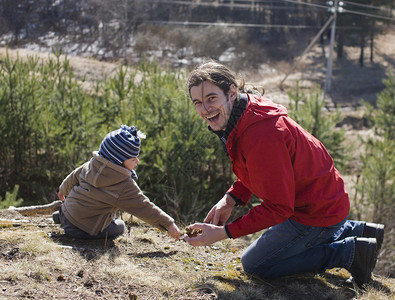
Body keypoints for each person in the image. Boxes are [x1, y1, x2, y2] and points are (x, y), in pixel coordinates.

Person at [184, 60, 384, 287]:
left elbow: (279, 207)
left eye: (211, 98)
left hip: (315, 212)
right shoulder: (245, 113)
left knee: (256, 264)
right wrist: (231, 198)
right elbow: (257, 169)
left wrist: (224, 233)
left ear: (231, 92)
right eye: (197, 102)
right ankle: (358, 230)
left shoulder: (260, 134)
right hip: (323, 201)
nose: (205, 109)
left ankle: (350, 253)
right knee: (269, 253)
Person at [52, 125, 180, 241]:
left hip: (67, 212)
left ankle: (63, 217)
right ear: (119, 160)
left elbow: (74, 176)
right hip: (85, 229)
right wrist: (168, 224)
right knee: (119, 226)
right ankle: (72, 225)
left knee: (73, 210)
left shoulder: (91, 164)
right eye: (133, 159)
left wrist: (63, 189)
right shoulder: (123, 185)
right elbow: (143, 207)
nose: (138, 161)